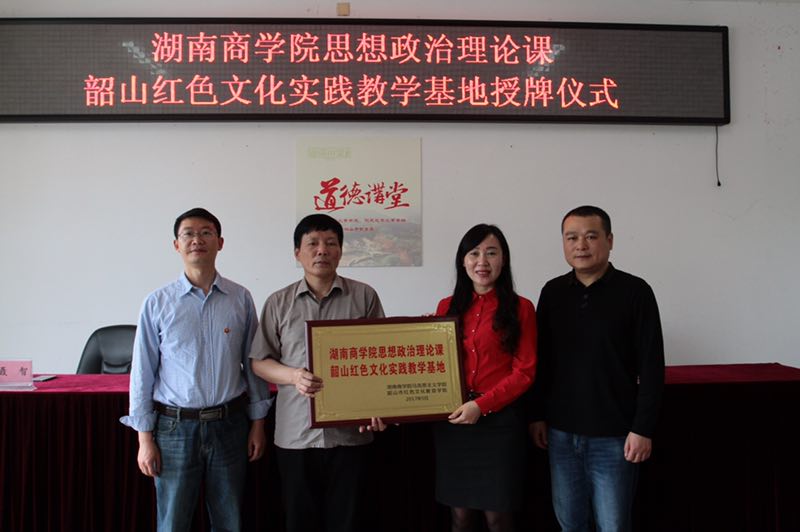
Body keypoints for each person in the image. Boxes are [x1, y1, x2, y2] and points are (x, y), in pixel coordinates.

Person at [120, 207, 271, 532]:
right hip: (174, 429)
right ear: (176, 245)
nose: (197, 240)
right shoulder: (157, 303)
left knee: (230, 520)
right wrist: (144, 439)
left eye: (206, 233)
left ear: (220, 242)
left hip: (230, 425)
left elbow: (253, 364)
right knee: (173, 522)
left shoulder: (240, 298)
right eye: (188, 234)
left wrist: (258, 424)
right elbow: (142, 373)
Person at [528, 205, 665, 532]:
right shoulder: (552, 292)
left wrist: (642, 429)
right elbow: (541, 361)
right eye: (571, 237)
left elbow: (652, 367)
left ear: (610, 240)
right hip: (561, 435)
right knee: (570, 524)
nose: (581, 245)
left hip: (615, 436)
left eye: (591, 236)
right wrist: (536, 416)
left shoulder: (636, 292)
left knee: (613, 526)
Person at [249, 213, 386, 532]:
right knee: (300, 521)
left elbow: (381, 358)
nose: (322, 250)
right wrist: (293, 376)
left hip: (351, 434)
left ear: (341, 251)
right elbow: (259, 361)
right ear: (297, 253)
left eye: (330, 243)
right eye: (312, 243)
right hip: (296, 435)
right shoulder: (279, 302)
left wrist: (380, 406)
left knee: (349, 522)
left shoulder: (364, 296)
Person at [434, 223, 537, 532]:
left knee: (498, 517)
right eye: (474, 253)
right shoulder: (446, 307)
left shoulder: (521, 308)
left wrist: (481, 405)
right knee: (460, 517)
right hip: (454, 422)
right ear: (462, 260)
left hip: (500, 425)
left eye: (491, 253)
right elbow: (436, 364)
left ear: (503, 260)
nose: (482, 261)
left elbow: (525, 371)